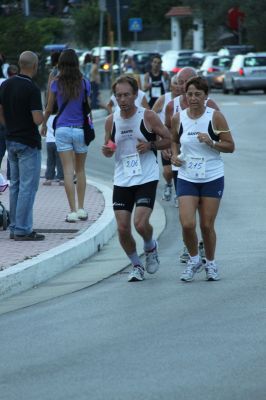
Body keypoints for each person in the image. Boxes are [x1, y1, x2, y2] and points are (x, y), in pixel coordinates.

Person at [102, 75, 171, 282]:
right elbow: (111, 146)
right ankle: (136, 265)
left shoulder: (147, 116)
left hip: (146, 176)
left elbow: (168, 139)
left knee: (140, 224)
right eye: (118, 96)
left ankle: (150, 247)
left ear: (135, 95)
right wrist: (107, 150)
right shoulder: (110, 120)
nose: (122, 100)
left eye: (126, 95)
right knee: (123, 228)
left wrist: (150, 145)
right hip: (122, 178)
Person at [171, 76, 235, 282]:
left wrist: (211, 142)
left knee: (206, 225)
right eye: (189, 94)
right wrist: (173, 155)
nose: (193, 98)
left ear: (206, 96)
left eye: (198, 94)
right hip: (187, 176)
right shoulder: (178, 118)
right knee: (187, 224)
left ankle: (211, 262)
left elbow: (230, 146)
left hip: (212, 176)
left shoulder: (215, 117)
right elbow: (173, 140)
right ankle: (194, 259)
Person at [165, 67, 220, 261]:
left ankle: (204, 247)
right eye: (180, 82)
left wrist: (211, 142)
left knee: (204, 219)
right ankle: (190, 249)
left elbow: (220, 134)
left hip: (208, 170)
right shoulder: (173, 107)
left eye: (187, 82)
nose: (182, 87)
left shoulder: (211, 106)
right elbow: (169, 133)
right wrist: (170, 151)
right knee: (187, 217)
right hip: (183, 167)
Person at [41, 48, 91, 223]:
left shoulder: (55, 83)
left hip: (61, 129)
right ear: (77, 63)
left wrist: (43, 125)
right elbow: (87, 108)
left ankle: (72, 211)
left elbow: (49, 108)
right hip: (80, 130)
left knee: (68, 172)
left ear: (60, 64)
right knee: (81, 170)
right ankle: (83, 209)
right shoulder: (84, 83)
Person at [0, 51, 45, 241]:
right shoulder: (32, 89)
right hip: (28, 143)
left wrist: (9, 126)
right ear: (34, 66)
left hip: (11, 140)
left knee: (16, 186)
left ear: (19, 64)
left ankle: (14, 227)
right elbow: (37, 119)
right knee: (28, 187)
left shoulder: (6, 84)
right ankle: (23, 229)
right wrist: (45, 114)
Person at [152, 74, 181, 203]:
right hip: (167, 139)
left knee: (181, 168)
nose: (178, 86)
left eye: (181, 83)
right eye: (175, 83)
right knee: (168, 171)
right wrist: (159, 141)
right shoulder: (164, 99)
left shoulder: (188, 100)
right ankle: (169, 184)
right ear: (170, 85)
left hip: (183, 140)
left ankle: (180, 194)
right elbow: (151, 117)